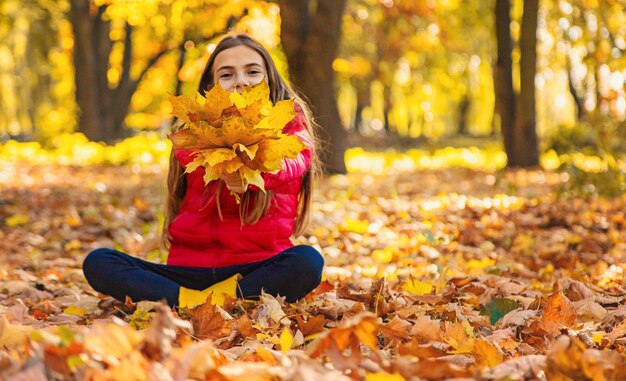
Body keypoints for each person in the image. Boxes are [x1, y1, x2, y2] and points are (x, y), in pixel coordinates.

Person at [83, 34, 324, 309]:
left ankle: (198, 302)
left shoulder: (289, 125)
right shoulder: (194, 131)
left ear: (269, 79)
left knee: (307, 262)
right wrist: (224, 162)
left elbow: (295, 159)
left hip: (256, 269)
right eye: (227, 74)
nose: (242, 81)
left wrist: (252, 173)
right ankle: (205, 301)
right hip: (188, 272)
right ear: (211, 87)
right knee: (99, 261)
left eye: (253, 71)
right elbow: (189, 153)